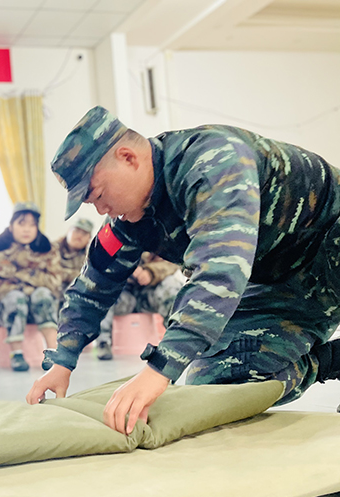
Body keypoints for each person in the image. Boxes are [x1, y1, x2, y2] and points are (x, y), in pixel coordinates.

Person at [27, 105, 340, 435]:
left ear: (127, 157)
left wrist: (159, 369)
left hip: (330, 246)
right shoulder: (128, 219)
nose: (101, 208)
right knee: (221, 381)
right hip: (281, 281)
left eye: (99, 195)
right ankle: (331, 361)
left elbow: (220, 269)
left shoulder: (212, 161)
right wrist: (63, 359)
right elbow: (93, 285)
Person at [0, 202, 62, 371]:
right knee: (16, 298)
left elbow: (54, 282)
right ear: (11, 226)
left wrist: (20, 280)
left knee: (43, 294)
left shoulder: (47, 249)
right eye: (21, 224)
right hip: (5, 310)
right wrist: (25, 288)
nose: (27, 230)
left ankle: (53, 352)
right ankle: (16, 354)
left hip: (39, 306)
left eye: (32, 225)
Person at [95, 252, 185, 360]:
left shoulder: (167, 243)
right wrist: (125, 269)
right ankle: (103, 342)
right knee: (104, 291)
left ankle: (175, 339)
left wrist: (150, 271)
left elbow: (173, 265)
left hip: (149, 297)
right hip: (124, 296)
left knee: (172, 284)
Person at [57, 217, 93, 294]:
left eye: (84, 233)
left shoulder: (91, 255)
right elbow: (53, 273)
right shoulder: (53, 249)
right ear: (68, 231)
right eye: (76, 231)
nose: (79, 236)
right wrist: (77, 276)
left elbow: (92, 279)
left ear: (89, 238)